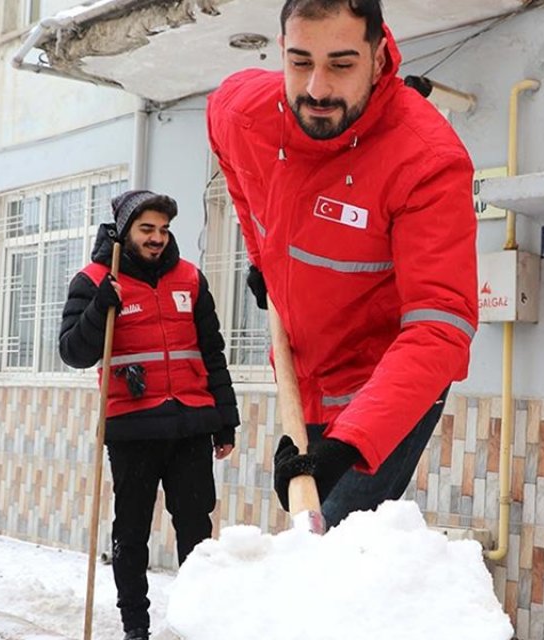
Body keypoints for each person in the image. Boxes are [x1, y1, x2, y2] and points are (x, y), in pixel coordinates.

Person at [205, 0, 478, 527]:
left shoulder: (426, 161)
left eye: (342, 64)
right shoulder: (241, 113)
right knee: (310, 545)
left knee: (335, 537)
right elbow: (235, 174)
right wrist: (263, 258)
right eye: (301, 62)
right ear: (281, 51)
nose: (317, 89)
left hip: (389, 383)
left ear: (378, 59)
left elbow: (442, 326)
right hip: (305, 365)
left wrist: (350, 444)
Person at [58, 190, 239, 640]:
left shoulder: (190, 279)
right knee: (133, 531)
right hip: (133, 428)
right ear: (123, 232)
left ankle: (199, 622)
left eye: (164, 229)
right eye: (147, 229)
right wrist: (102, 307)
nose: (158, 238)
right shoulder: (95, 280)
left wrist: (225, 418)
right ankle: (135, 626)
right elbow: (73, 352)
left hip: (191, 422)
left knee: (197, 530)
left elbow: (212, 353)